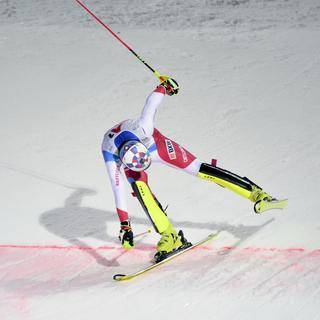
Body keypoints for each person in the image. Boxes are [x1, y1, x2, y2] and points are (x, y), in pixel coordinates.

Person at [102, 78, 273, 261]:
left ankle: (256, 194)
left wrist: (164, 87)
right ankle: (170, 236)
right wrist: (125, 225)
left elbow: (151, 103)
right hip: (133, 156)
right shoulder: (110, 155)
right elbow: (117, 188)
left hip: (155, 145)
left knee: (198, 168)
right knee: (139, 188)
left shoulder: (144, 127)